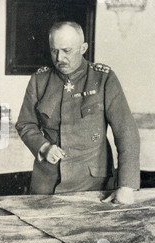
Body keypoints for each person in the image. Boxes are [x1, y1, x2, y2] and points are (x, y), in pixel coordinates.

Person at [16, 21, 140, 204]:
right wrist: (43, 147)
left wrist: (126, 186)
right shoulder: (39, 80)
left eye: (67, 51)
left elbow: (127, 133)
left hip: (93, 186)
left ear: (83, 48)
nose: (59, 58)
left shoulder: (103, 78)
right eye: (54, 51)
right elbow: (25, 123)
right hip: (47, 185)